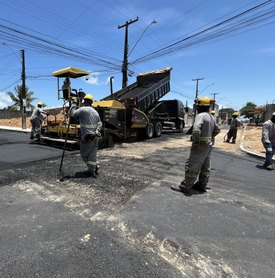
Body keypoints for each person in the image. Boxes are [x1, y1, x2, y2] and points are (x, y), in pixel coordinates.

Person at [171, 97, 221, 194]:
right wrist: (209, 137)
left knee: (192, 164)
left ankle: (186, 186)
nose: (196, 107)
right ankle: (202, 185)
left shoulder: (201, 115)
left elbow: (196, 129)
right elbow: (217, 130)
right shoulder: (211, 117)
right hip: (208, 145)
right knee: (205, 166)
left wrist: (196, 140)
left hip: (201, 145)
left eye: (197, 105)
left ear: (200, 106)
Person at [69, 94, 102, 178]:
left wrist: (73, 104)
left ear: (84, 102)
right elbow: (100, 123)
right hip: (95, 137)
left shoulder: (83, 109)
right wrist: (97, 130)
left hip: (87, 137)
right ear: (91, 102)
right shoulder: (95, 112)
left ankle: (93, 168)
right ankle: (93, 169)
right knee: (92, 154)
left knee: (84, 154)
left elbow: (72, 114)